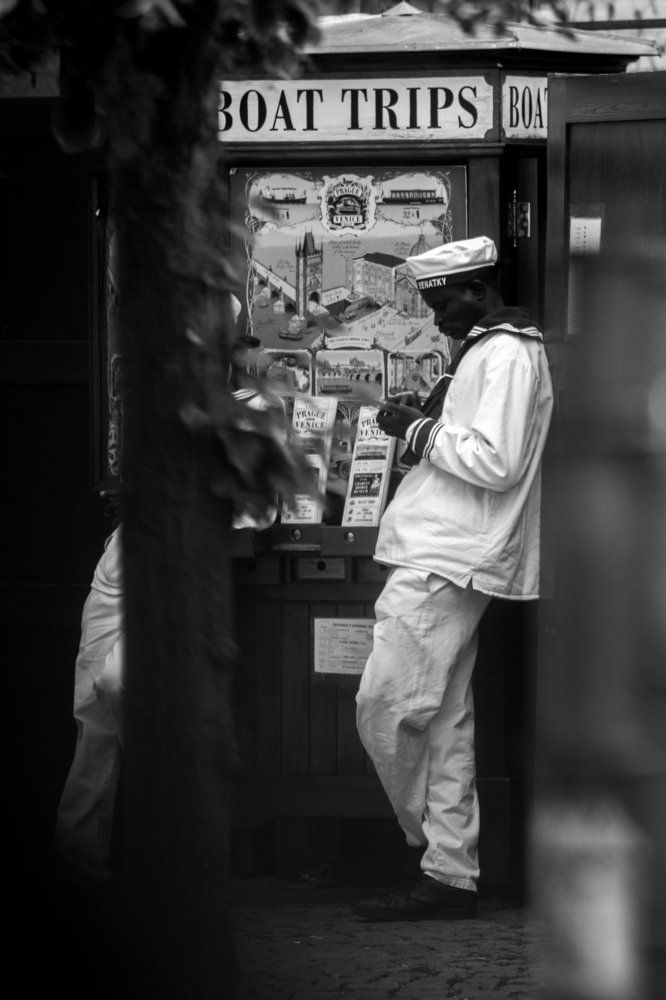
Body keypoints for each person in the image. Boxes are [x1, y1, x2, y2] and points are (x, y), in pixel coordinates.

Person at [352, 236, 554, 921]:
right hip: (447, 549)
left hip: (449, 554)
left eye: (443, 305)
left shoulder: (506, 353)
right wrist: (429, 420)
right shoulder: (491, 350)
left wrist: (416, 431)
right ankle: (448, 872)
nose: (437, 319)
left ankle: (425, 841)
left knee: (384, 705)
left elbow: (495, 463)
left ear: (478, 290)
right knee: (442, 722)